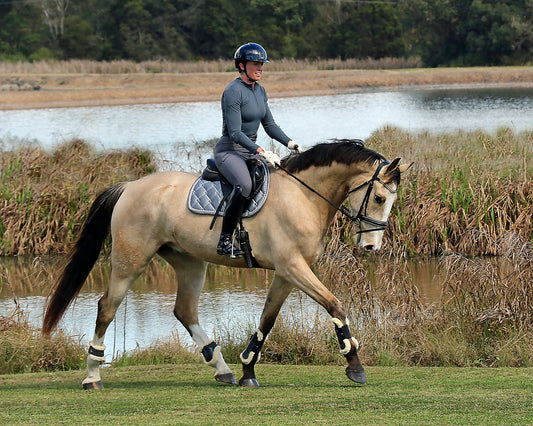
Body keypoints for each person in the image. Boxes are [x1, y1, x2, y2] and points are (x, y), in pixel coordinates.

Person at [214, 42, 302, 257]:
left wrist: (291, 144)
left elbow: (270, 126)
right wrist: (261, 151)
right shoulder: (232, 92)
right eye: (256, 64)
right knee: (244, 185)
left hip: (250, 150)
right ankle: (224, 240)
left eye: (262, 64)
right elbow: (235, 133)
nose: (260, 68)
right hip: (229, 151)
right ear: (242, 66)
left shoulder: (260, 91)